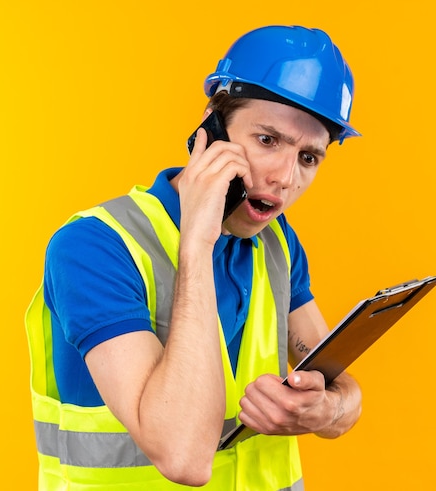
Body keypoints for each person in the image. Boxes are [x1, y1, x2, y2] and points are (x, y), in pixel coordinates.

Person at [26, 24, 363, 490]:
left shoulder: (278, 245)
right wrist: (198, 242)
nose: (286, 178)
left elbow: (342, 390)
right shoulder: (94, 247)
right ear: (212, 127)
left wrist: (326, 408)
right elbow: (183, 458)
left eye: (309, 157)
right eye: (268, 140)